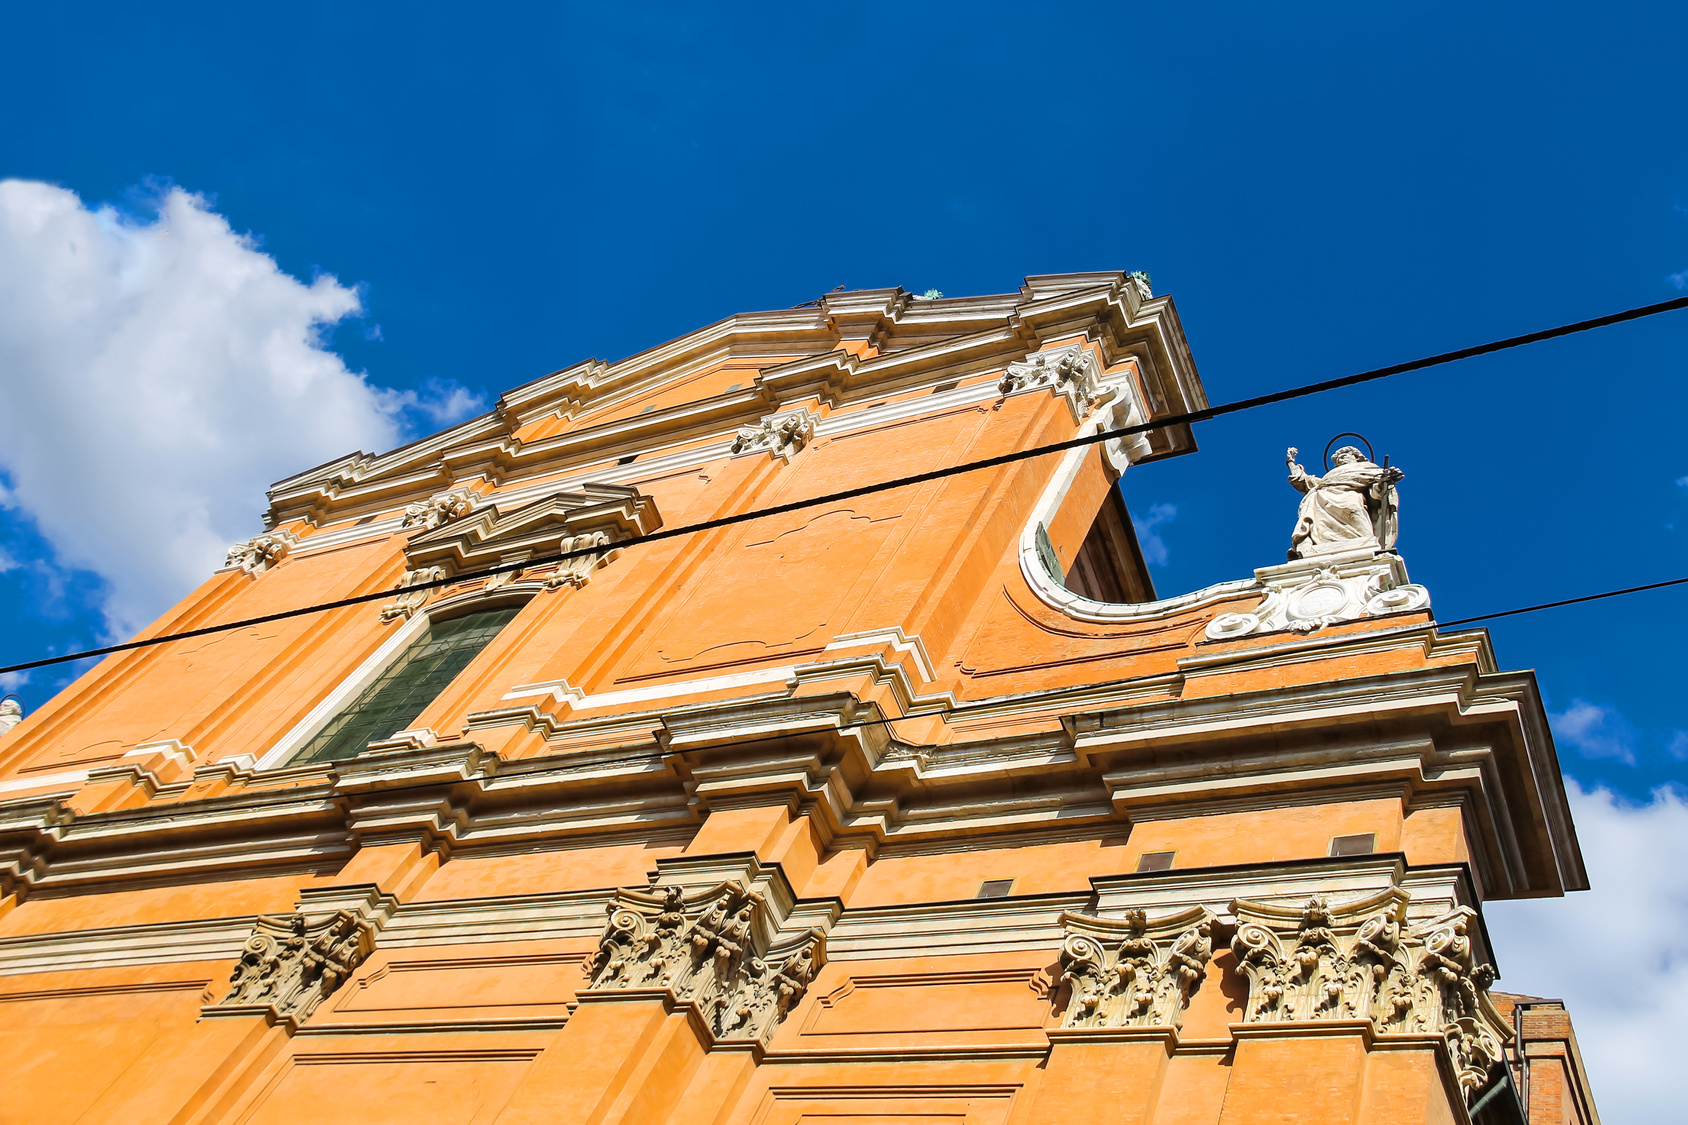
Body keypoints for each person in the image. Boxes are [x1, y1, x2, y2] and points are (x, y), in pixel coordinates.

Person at [1285, 445, 1403, 560]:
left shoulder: (1368, 469)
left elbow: (1375, 493)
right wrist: (1290, 462)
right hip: (1322, 501)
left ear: (1356, 456)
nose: (1340, 459)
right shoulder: (1329, 477)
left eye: (1343, 455)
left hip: (1350, 498)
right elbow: (1305, 480)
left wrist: (1384, 483)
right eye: (1337, 459)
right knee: (1321, 530)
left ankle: (1366, 544)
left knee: (1355, 512)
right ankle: (1320, 548)